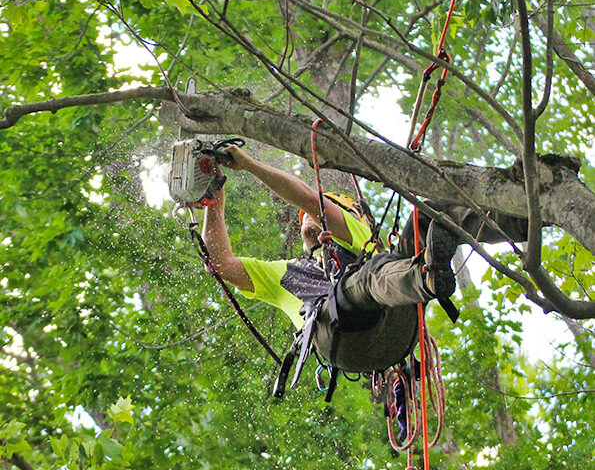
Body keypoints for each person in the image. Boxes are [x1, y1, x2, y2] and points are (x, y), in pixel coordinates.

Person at [192, 145, 528, 375]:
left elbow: (309, 199)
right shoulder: (287, 275)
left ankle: (523, 217)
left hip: (395, 321)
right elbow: (221, 265)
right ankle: (425, 275)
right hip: (340, 338)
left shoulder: (356, 230)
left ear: (356, 215)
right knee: (361, 283)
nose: (309, 214)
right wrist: (214, 204)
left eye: (331, 203)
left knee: (430, 214)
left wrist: (248, 163)